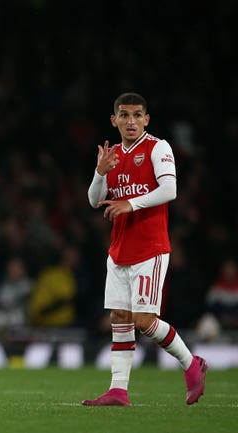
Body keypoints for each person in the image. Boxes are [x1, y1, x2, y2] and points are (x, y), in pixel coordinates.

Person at [83, 92, 207, 406]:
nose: (131, 121)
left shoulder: (157, 147)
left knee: (143, 321)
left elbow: (170, 189)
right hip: (119, 249)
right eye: (124, 115)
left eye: (138, 115)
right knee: (120, 318)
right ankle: (118, 390)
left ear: (146, 119)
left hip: (150, 248)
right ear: (114, 120)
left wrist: (130, 203)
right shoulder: (112, 156)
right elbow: (94, 200)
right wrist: (100, 172)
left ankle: (190, 363)